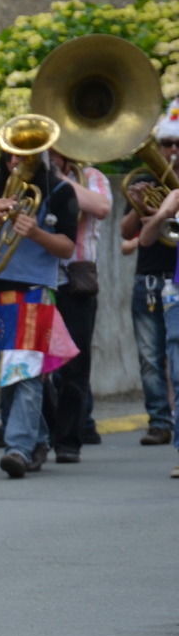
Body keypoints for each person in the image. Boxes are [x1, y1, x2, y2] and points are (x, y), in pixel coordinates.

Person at [0, 143, 79, 478]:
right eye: (10, 154)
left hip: (35, 293)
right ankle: (37, 440)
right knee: (6, 374)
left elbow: (67, 247)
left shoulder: (60, 191)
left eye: (23, 155)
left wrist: (36, 232)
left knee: (25, 373)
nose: (15, 161)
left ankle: (18, 449)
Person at [46, 150, 111, 463]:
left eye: (54, 150)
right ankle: (46, 432)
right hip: (39, 279)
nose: (48, 155)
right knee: (36, 365)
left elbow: (101, 207)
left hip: (75, 281)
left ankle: (68, 440)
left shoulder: (91, 176)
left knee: (75, 365)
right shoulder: (30, 178)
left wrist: (58, 179)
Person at [121, 101, 179, 449]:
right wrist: (140, 206)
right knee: (150, 356)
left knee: (176, 356)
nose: (172, 150)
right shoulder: (145, 180)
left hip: (176, 277)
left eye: (177, 144)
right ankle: (159, 422)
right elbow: (127, 232)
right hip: (150, 277)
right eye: (166, 144)